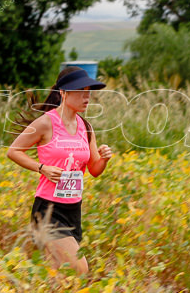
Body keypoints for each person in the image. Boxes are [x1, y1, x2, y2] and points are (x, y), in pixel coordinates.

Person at [7, 66, 113, 274]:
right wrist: (42, 168)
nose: (86, 97)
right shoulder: (46, 123)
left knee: (58, 279)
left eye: (88, 91)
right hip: (48, 211)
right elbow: (14, 151)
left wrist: (105, 158)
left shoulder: (85, 127)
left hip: (73, 210)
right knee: (79, 269)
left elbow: (94, 169)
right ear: (63, 93)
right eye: (80, 91)